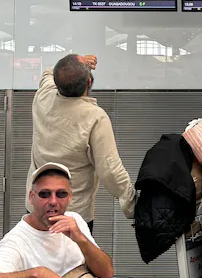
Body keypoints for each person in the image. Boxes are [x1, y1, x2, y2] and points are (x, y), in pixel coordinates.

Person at [1, 162, 186, 278]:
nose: (53, 202)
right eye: (44, 194)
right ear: (31, 197)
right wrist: (36, 273)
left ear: (70, 197)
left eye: (61, 194)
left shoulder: (75, 220)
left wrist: (80, 238)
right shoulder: (17, 240)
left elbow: (106, 273)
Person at [25, 54, 136, 231]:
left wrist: (78, 62)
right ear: (89, 83)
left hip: (37, 208)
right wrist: (133, 206)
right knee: (73, 259)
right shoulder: (95, 117)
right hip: (72, 216)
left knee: (36, 258)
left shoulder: (43, 96)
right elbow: (110, 169)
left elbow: (47, 74)